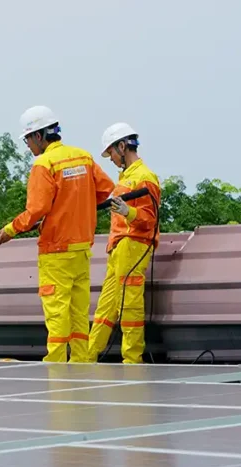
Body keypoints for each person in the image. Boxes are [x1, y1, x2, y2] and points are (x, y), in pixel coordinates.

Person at [0, 106, 115, 363]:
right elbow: (105, 190)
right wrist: (76, 204)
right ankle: (82, 364)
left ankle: (56, 367)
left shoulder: (44, 164)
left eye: (27, 138)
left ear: (39, 136)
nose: (27, 145)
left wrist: (10, 230)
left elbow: (37, 209)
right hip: (82, 249)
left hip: (56, 251)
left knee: (57, 311)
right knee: (78, 312)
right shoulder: (82, 157)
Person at [87, 122, 162, 364]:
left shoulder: (144, 177)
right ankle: (86, 357)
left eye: (111, 152)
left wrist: (128, 212)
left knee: (129, 305)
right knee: (107, 306)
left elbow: (150, 220)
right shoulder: (125, 177)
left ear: (122, 146)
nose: (110, 158)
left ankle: (132, 361)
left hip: (134, 245)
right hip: (120, 248)